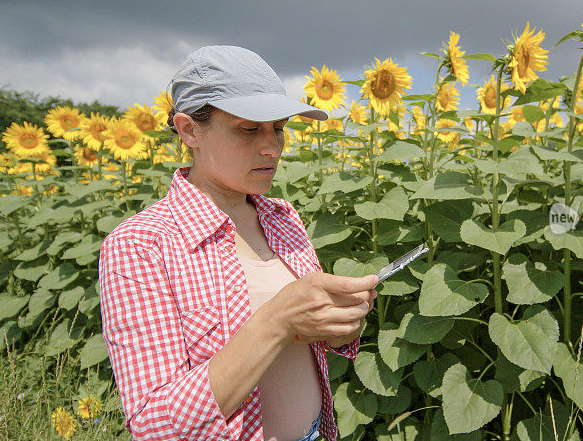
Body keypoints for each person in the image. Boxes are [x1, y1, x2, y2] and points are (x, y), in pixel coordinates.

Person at [98, 45, 378, 441]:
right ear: (188, 129)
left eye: (278, 128)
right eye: (249, 129)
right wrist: (276, 320)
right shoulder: (141, 245)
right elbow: (154, 424)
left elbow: (308, 344)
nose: (272, 147)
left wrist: (338, 325)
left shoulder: (282, 217)